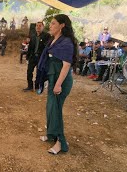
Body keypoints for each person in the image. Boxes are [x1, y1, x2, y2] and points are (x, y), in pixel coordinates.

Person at [37, 14, 78, 155]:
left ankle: (61, 141)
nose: (50, 25)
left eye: (53, 23)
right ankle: (51, 135)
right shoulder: (54, 40)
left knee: (56, 110)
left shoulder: (66, 42)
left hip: (61, 81)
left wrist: (58, 84)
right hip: (53, 78)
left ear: (62, 25)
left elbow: (66, 65)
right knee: (50, 108)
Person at [24, 21, 50, 91]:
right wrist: (27, 56)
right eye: (37, 26)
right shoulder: (32, 35)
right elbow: (30, 47)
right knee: (29, 72)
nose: (38, 27)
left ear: (43, 27)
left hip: (41, 58)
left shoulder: (47, 36)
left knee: (39, 73)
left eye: (40, 26)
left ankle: (37, 86)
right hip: (32, 57)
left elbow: (47, 47)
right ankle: (29, 86)